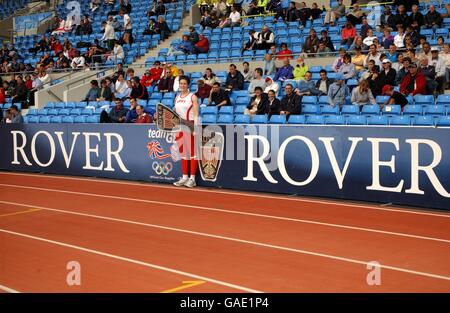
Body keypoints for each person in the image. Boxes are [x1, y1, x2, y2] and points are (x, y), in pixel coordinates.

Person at [173, 76, 199, 188]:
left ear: (188, 85)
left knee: (193, 154)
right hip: (180, 127)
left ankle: (192, 179)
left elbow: (197, 114)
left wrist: (196, 128)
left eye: (184, 83)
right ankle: (184, 177)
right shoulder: (177, 97)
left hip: (191, 125)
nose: (182, 85)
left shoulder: (193, 97)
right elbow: (175, 113)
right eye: (181, 83)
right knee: (183, 154)